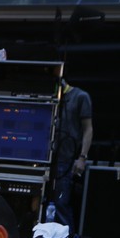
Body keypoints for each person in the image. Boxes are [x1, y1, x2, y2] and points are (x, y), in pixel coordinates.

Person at [49, 78, 93, 228]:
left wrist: (82, 157)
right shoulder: (49, 96)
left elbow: (88, 129)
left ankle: (66, 236)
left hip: (66, 158)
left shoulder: (80, 97)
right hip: (46, 157)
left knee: (61, 202)